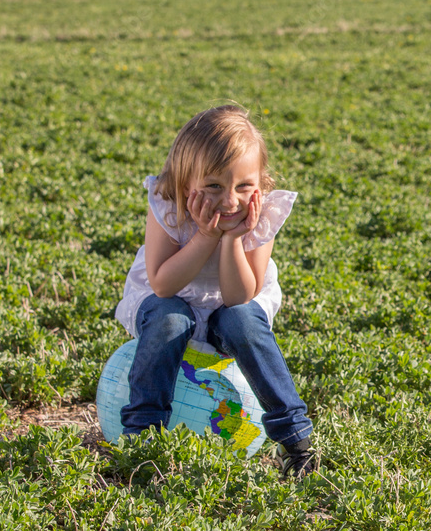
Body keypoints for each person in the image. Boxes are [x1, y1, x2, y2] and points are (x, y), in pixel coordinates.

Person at [114, 105, 316, 479]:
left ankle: (295, 440)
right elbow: (163, 285)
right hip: (170, 300)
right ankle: (142, 438)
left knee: (244, 321)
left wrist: (233, 240)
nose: (231, 201)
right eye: (214, 186)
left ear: (260, 184)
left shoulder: (260, 216)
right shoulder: (168, 207)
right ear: (184, 184)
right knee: (170, 318)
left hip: (231, 303)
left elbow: (240, 296)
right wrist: (206, 236)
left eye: (244, 186)